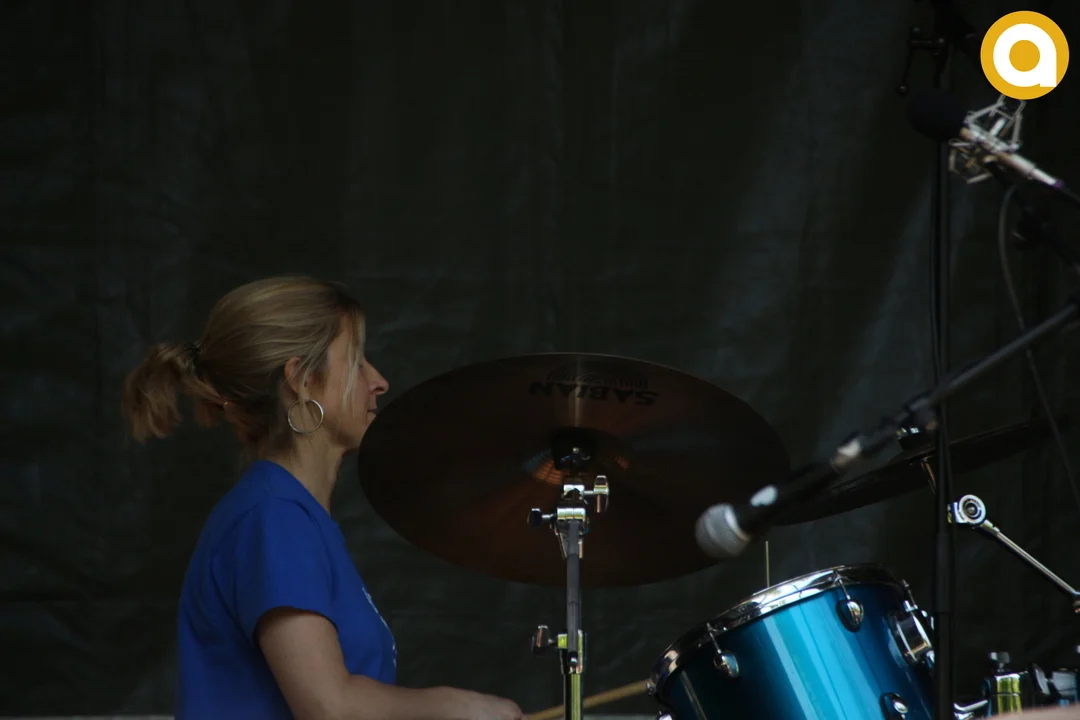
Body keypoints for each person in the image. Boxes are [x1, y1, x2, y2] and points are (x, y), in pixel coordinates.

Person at [121, 276, 525, 720]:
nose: (379, 381)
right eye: (357, 362)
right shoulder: (274, 518)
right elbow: (328, 707)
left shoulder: (290, 515)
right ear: (302, 381)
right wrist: (457, 706)